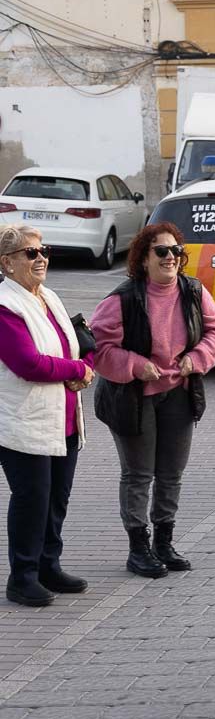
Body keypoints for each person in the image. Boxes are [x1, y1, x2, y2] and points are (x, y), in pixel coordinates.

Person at [90, 223, 215, 578]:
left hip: (178, 394)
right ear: (144, 258)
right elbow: (99, 350)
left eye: (176, 251)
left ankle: (164, 542)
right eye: (161, 251)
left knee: (171, 474)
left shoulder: (193, 292)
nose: (170, 258)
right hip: (133, 398)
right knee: (138, 474)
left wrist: (195, 360)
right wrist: (136, 365)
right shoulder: (122, 299)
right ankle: (138, 548)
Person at [0, 226, 93, 607]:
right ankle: (22, 577)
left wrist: (84, 367)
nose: (40, 259)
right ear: (7, 263)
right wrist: (75, 371)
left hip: (65, 420)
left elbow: (79, 345)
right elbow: (28, 363)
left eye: (44, 251)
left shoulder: (48, 297)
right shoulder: (6, 305)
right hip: (25, 421)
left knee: (57, 499)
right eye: (30, 253)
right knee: (31, 498)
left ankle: (48, 565)